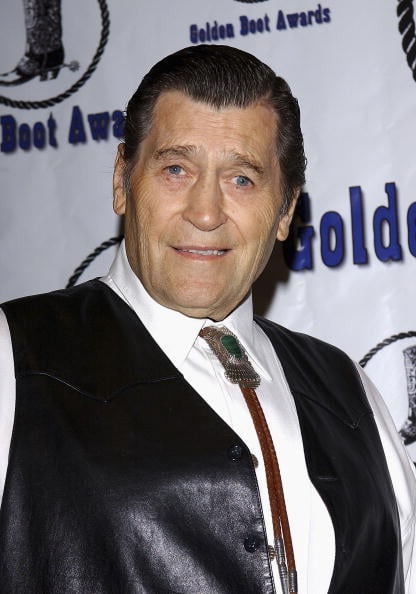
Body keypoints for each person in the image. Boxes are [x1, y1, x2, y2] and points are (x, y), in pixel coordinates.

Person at [0, 44, 415, 594]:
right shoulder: (13, 360)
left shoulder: (351, 393)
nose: (205, 212)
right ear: (122, 181)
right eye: (176, 169)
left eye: (242, 179)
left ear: (286, 209)